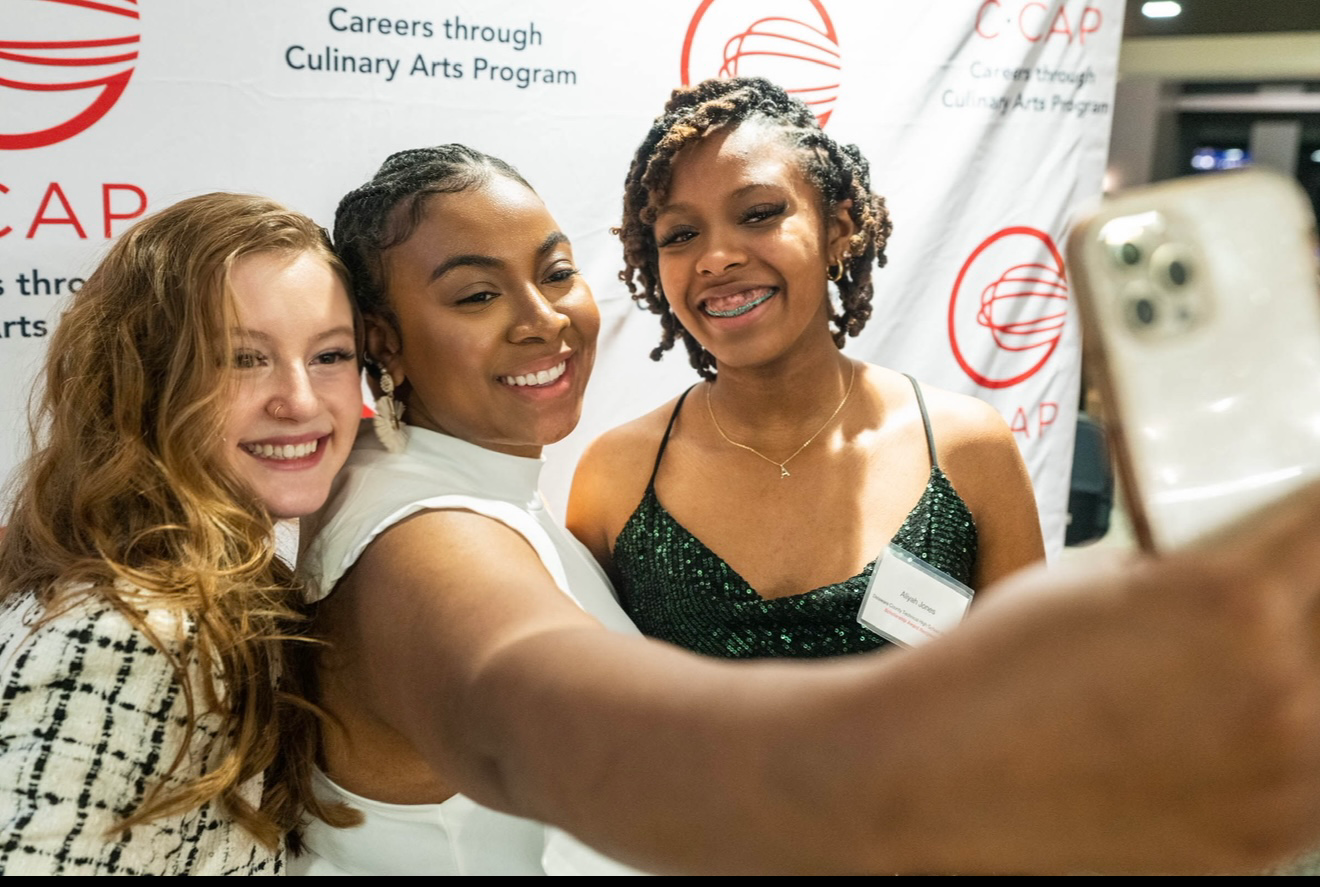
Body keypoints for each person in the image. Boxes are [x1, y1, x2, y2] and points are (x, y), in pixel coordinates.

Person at [298, 142, 1320, 876]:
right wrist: (1020, 758)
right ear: (382, 339)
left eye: (557, 271)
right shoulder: (424, 531)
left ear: (837, 228)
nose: (543, 318)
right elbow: (545, 730)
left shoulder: (480, 493)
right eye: (475, 295)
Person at [567, 77, 1044, 659]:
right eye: (681, 234)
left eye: (759, 214)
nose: (717, 258)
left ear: (837, 230)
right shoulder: (615, 476)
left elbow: (1035, 687)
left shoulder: (966, 448)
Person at [0, 193, 364, 875]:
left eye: (330, 355)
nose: (300, 400)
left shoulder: (222, 590)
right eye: (242, 358)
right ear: (140, 379)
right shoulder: (133, 636)